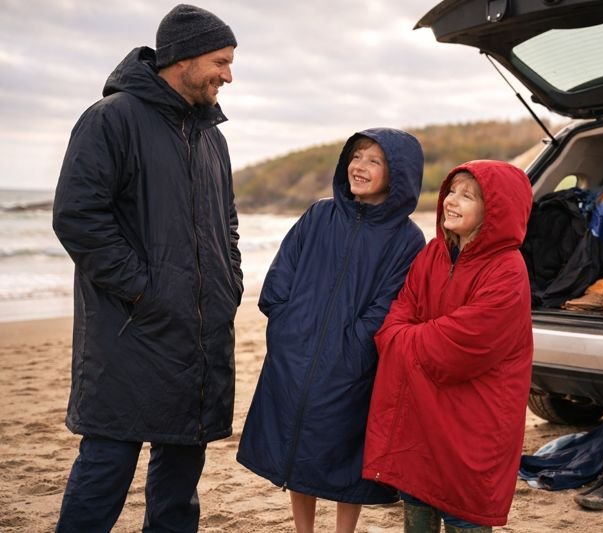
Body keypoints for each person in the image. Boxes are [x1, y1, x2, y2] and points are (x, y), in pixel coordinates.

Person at [51, 4, 241, 531]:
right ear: (183, 57)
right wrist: (145, 290)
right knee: (107, 464)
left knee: (181, 475)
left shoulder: (212, 138)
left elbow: (226, 224)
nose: (228, 74)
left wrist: (228, 284)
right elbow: (78, 218)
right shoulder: (111, 119)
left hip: (199, 332)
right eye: (221, 61)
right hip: (129, 330)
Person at [237, 128, 426, 533]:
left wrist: (356, 345)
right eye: (357, 156)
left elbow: (392, 302)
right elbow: (280, 275)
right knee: (294, 445)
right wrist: (285, 323)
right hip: (294, 352)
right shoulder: (319, 214)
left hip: (353, 364)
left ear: (399, 174)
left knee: (342, 454)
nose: (360, 167)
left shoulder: (407, 238)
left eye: (375, 161)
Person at [362, 160, 535, 532]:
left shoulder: (507, 270)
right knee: (418, 501)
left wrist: (404, 342)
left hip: (476, 417)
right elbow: (394, 319)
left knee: (465, 510)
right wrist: (405, 338)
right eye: (451, 191)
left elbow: (459, 345)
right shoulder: (432, 255)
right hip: (423, 413)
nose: (451, 202)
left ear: (495, 212)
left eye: (467, 196)